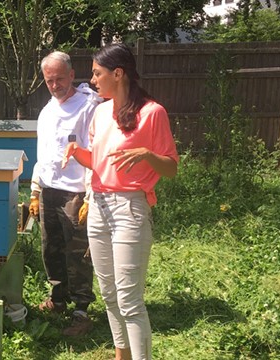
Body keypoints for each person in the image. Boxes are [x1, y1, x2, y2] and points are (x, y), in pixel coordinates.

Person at [62, 43, 178, 359]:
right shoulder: (101, 112)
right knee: (109, 293)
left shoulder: (152, 113)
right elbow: (101, 163)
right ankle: (121, 354)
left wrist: (148, 155)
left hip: (130, 209)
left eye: (97, 74)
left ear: (118, 73)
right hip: (98, 206)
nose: (93, 80)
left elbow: (171, 167)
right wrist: (78, 154)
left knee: (129, 299)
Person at [29, 50, 103, 336]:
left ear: (72, 75)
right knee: (51, 249)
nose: (55, 84)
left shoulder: (89, 107)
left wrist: (88, 194)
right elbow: (43, 154)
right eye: (49, 80)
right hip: (49, 190)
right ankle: (58, 299)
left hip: (75, 192)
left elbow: (95, 151)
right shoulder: (47, 111)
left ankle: (82, 310)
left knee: (78, 255)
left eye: (60, 78)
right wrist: (35, 190)